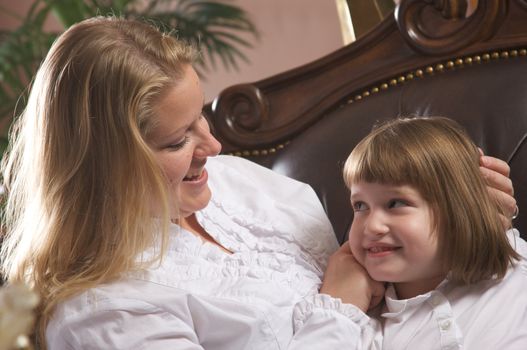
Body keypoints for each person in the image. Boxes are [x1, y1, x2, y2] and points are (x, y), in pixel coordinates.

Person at [0, 16, 517, 349]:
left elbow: (381, 269)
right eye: (178, 141)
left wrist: (461, 215)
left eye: (201, 116)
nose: (214, 147)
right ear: (104, 165)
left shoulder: (243, 187)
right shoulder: (105, 312)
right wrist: (337, 310)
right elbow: (351, 295)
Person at [331, 117, 527, 349]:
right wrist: (339, 309)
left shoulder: (515, 268)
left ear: (459, 206)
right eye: (360, 206)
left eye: (395, 203)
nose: (371, 226)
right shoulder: (365, 328)